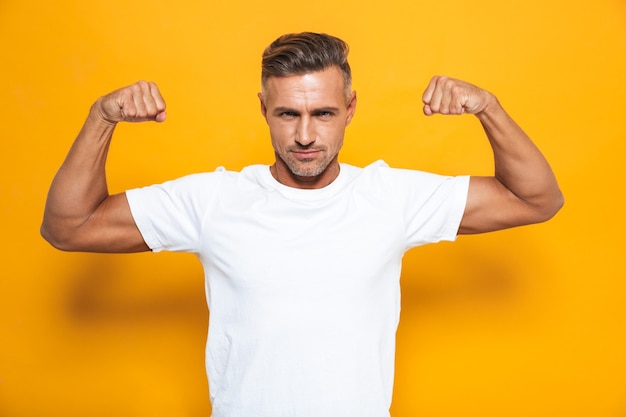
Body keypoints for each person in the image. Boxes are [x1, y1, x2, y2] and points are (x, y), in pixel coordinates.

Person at [41, 32, 563, 417]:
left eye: (325, 114)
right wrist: (101, 118)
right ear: (263, 109)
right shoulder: (215, 200)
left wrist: (489, 109)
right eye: (288, 114)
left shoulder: (389, 196)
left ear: (351, 109)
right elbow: (70, 226)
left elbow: (534, 198)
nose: (306, 135)